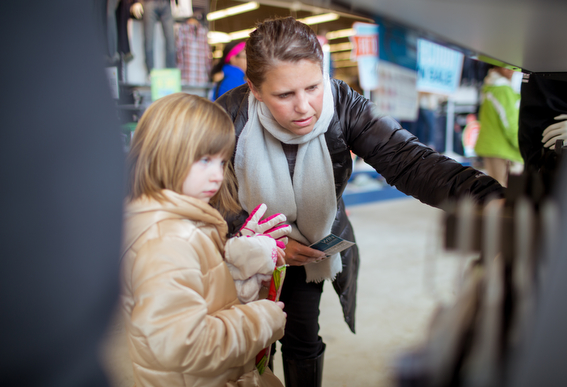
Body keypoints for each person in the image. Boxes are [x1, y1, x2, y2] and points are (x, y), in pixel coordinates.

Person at [215, 16, 505, 387]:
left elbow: (410, 161)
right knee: (250, 344)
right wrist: (259, 241)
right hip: (243, 252)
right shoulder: (229, 115)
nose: (304, 107)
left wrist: (487, 197)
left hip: (311, 247)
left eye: (312, 87)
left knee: (302, 337)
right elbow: (205, 196)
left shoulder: (345, 105)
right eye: (284, 95)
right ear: (254, 89)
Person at [121, 92, 287, 386]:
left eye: (222, 162)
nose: (217, 176)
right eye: (205, 160)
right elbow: (183, 343)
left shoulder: (170, 221)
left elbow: (186, 297)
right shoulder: (168, 238)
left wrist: (233, 272)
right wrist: (261, 319)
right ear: (164, 152)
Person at [474, 66, 524, 187]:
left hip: (490, 146)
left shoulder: (488, 86)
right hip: (502, 149)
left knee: (493, 189)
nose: (511, 70)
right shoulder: (503, 90)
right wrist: (522, 146)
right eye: (506, 67)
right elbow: (510, 123)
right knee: (504, 191)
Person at [130, 0, 177, 74]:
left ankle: (170, 72)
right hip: (149, 2)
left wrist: (175, 3)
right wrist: (136, 2)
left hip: (166, 3)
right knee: (149, 39)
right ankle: (150, 72)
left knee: (171, 40)